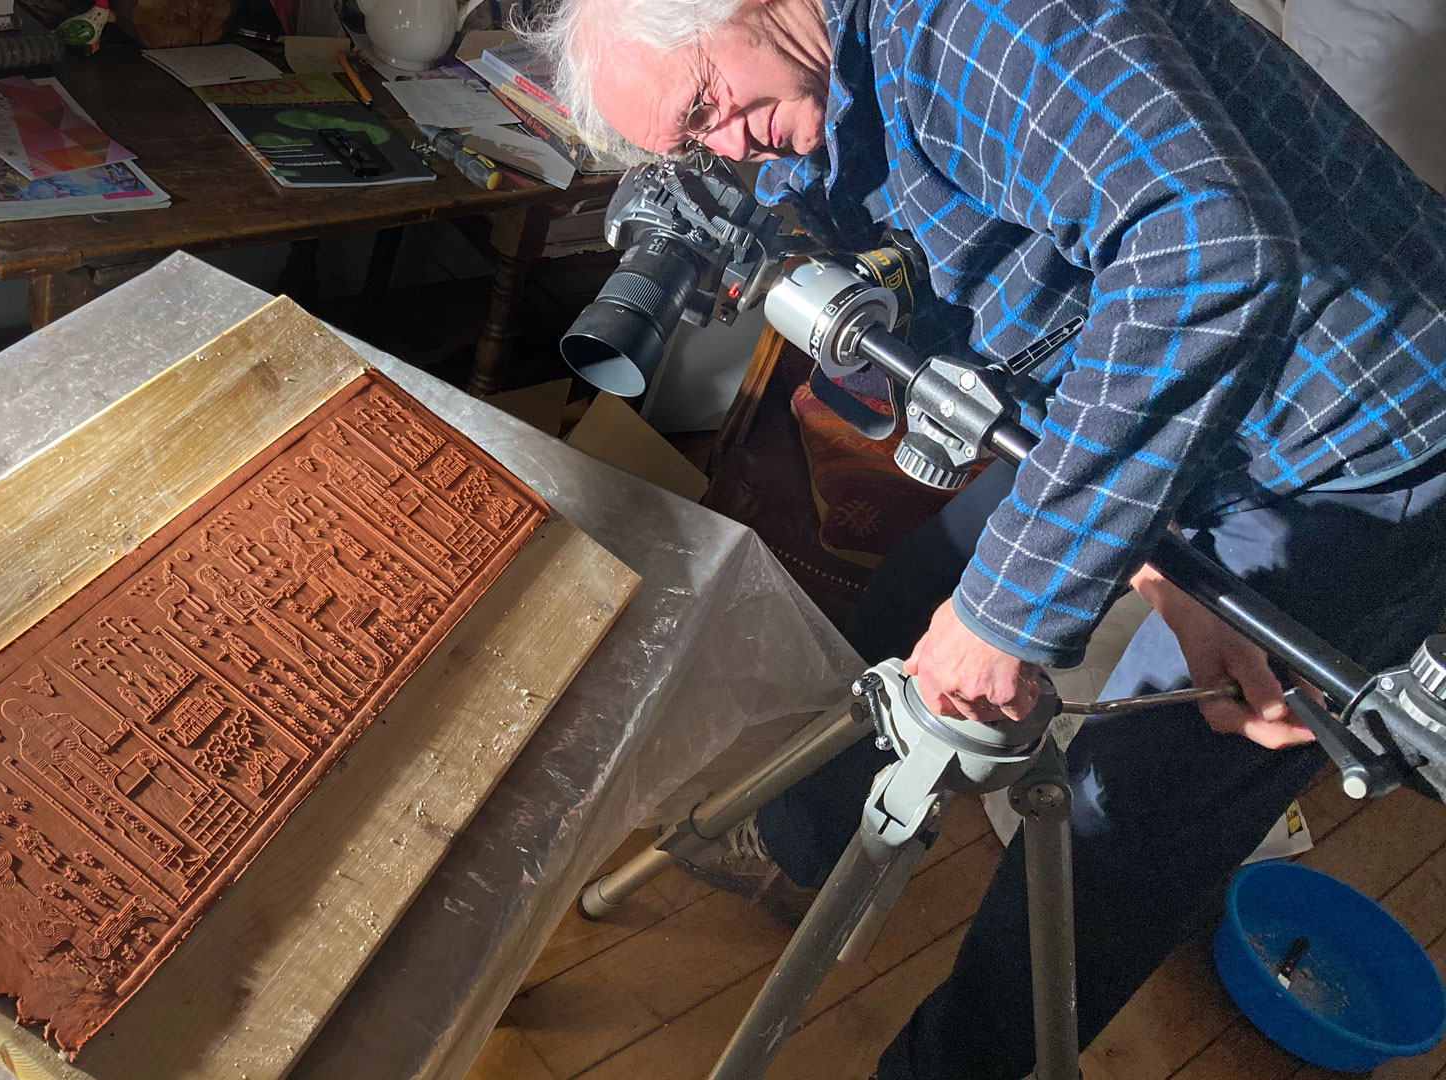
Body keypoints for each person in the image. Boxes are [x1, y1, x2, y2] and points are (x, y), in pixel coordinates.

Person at [523, 0, 1446, 1075]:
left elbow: (1204, 255)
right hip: (1191, 411)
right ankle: (801, 846)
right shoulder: (815, 89)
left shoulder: (971, 22)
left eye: (704, 105)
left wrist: (1010, 609)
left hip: (1358, 437)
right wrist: (1152, 558)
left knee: (1120, 825)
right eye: (688, 142)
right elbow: (1073, 312)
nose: (722, 145)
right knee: (921, 585)